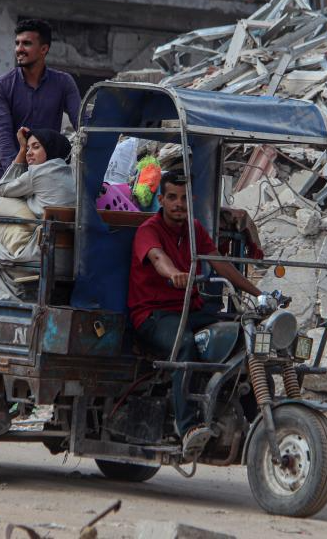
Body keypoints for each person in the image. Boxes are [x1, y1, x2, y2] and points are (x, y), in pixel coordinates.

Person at [127, 172, 263, 460]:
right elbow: (157, 258)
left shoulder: (194, 228)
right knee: (185, 344)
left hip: (190, 310)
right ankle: (187, 426)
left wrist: (259, 294)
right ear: (161, 200)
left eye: (184, 198)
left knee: (245, 332)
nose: (178, 204)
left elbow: (220, 263)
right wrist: (174, 274)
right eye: (172, 197)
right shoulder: (148, 230)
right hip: (153, 314)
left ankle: (257, 416)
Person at [0, 127, 75, 301]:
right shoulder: (71, 175)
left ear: (50, 148)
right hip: (68, 258)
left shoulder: (38, 173)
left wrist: (21, 150)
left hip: (40, 253)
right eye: (28, 148)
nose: (29, 153)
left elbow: (3, 188)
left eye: (36, 147)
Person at [0, 19, 81, 180]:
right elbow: (3, 140)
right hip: (6, 174)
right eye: (17, 43)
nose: (19, 49)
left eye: (26, 44)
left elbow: (82, 124)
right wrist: (18, 179)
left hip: (47, 173)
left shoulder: (64, 83)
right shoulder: (1, 86)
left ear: (44, 49)